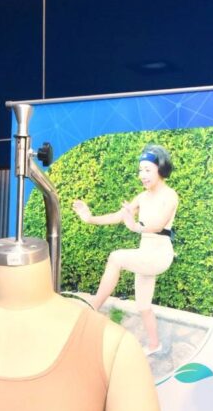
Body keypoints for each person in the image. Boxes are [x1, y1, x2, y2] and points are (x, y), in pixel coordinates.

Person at [72, 144, 178, 356]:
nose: (142, 175)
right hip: (146, 253)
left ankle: (93, 307)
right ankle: (155, 345)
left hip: (159, 255)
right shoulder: (142, 196)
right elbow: (119, 216)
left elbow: (158, 225)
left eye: (147, 170)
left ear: (160, 169)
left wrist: (135, 226)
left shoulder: (170, 195)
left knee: (116, 257)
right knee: (143, 306)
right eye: (140, 170)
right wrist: (89, 218)